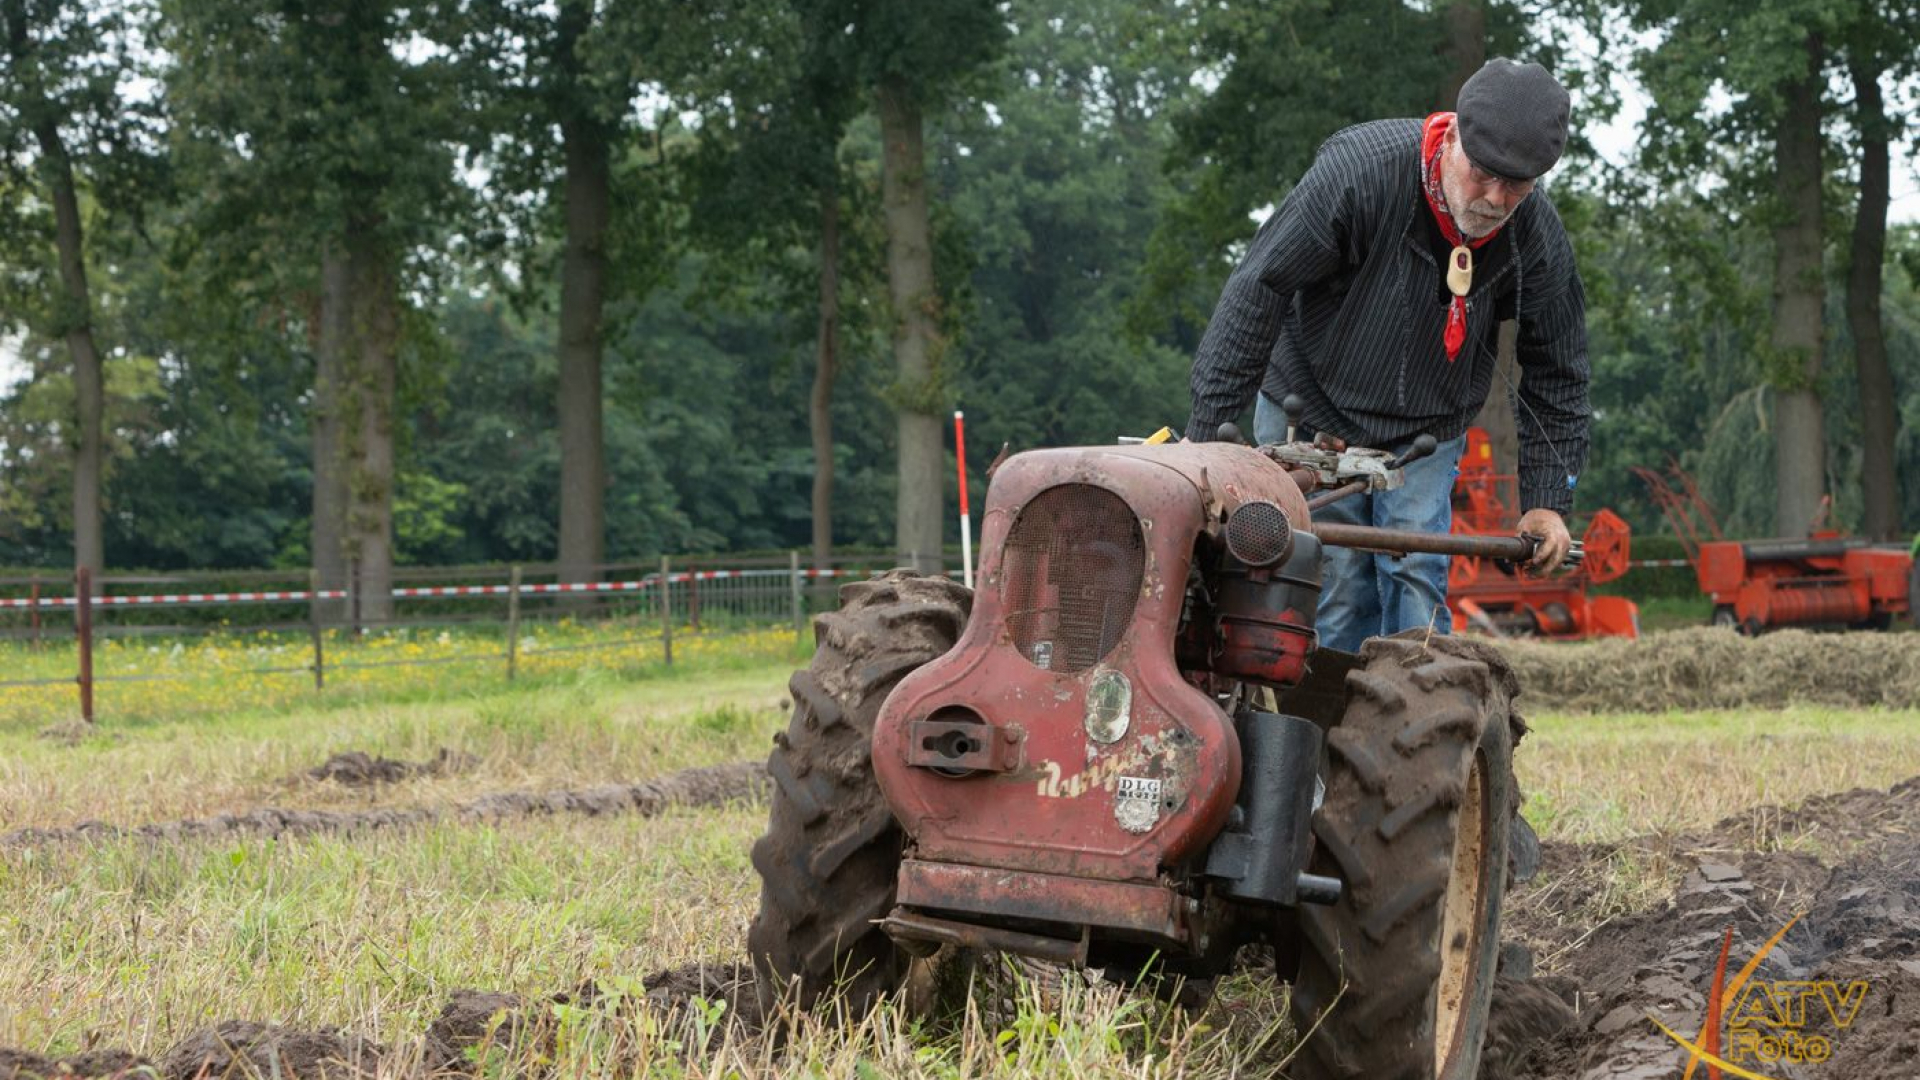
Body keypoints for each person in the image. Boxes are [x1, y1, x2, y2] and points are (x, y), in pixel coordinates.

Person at [1185, 58, 1592, 652]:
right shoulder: (1359, 175)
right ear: (1452, 136)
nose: (1497, 198)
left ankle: (1416, 729)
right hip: (1313, 400)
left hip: (1429, 424)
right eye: (1483, 174)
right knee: (1334, 579)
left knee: (1415, 577)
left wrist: (1547, 505)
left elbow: (1560, 370)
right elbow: (1259, 287)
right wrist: (1208, 452)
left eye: (1519, 185)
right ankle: (1315, 725)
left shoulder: (1535, 235)